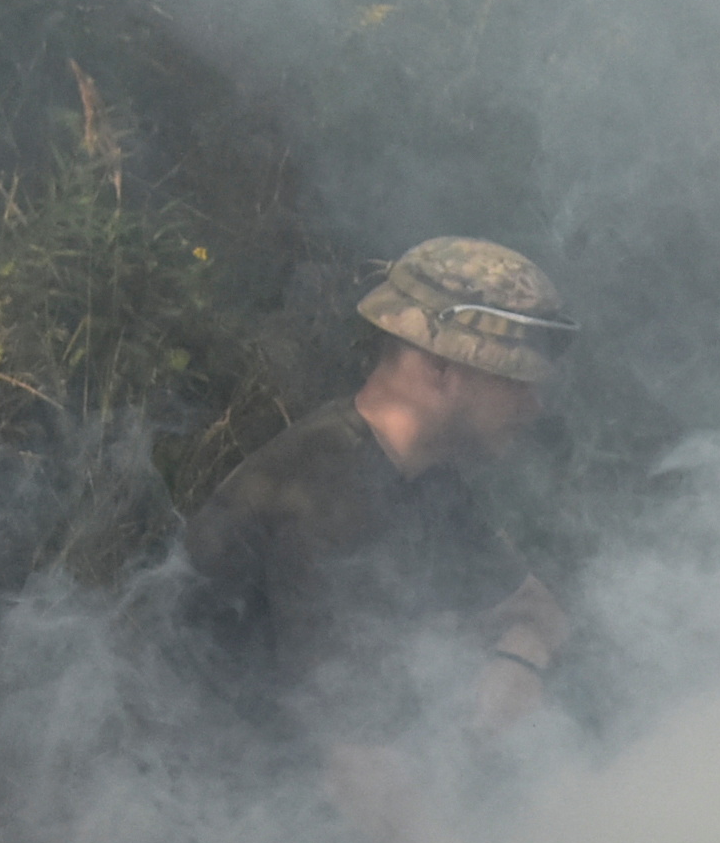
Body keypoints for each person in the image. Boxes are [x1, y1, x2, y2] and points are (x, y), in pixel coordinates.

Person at [178, 237, 574, 802]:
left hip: (298, 797)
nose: (535, 406)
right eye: (517, 380)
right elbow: (356, 766)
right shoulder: (327, 491)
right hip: (201, 815)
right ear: (441, 368)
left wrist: (520, 658)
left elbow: (544, 613)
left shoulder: (428, 477)